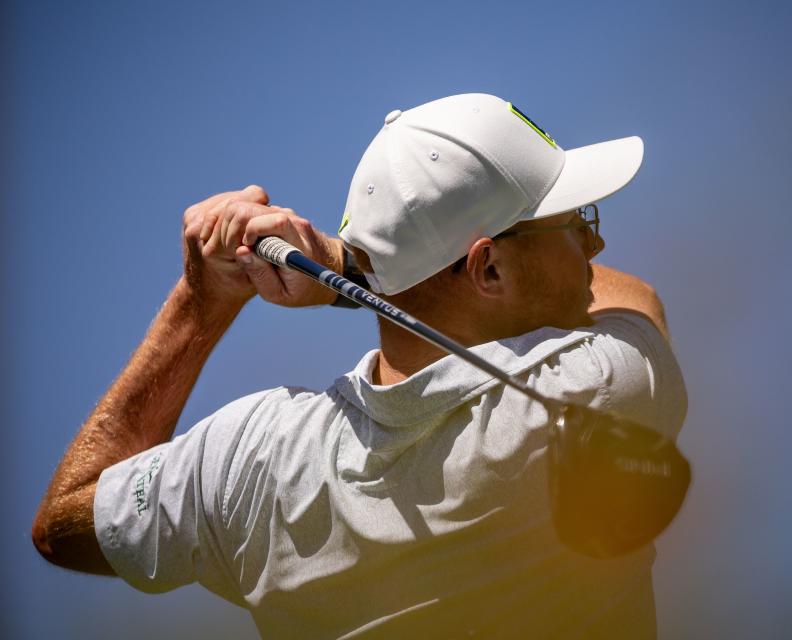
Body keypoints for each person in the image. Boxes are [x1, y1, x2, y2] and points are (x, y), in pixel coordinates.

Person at [32, 93, 687, 638]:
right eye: (574, 224)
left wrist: (199, 306)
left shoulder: (253, 462)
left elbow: (64, 523)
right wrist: (345, 267)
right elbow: (634, 299)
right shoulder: (592, 392)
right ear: (488, 267)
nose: (594, 242)